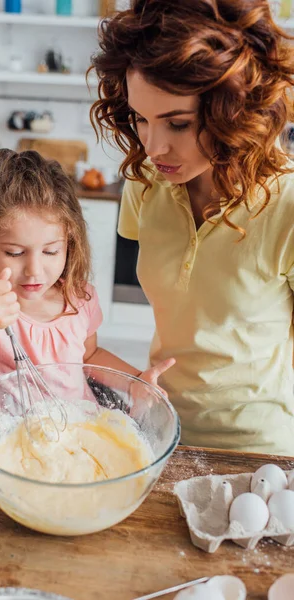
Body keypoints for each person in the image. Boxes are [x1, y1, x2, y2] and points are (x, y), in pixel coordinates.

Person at [90, 0, 294, 454]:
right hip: (162, 428)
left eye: (177, 123)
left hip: (260, 449)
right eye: (141, 119)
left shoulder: (288, 207)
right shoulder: (145, 182)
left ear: (232, 110)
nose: (154, 145)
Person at [0, 149, 174, 420]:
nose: (34, 270)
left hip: (74, 431)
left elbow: (89, 355)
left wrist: (135, 381)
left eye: (51, 252)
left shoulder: (79, 297)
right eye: (15, 253)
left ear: (70, 244)